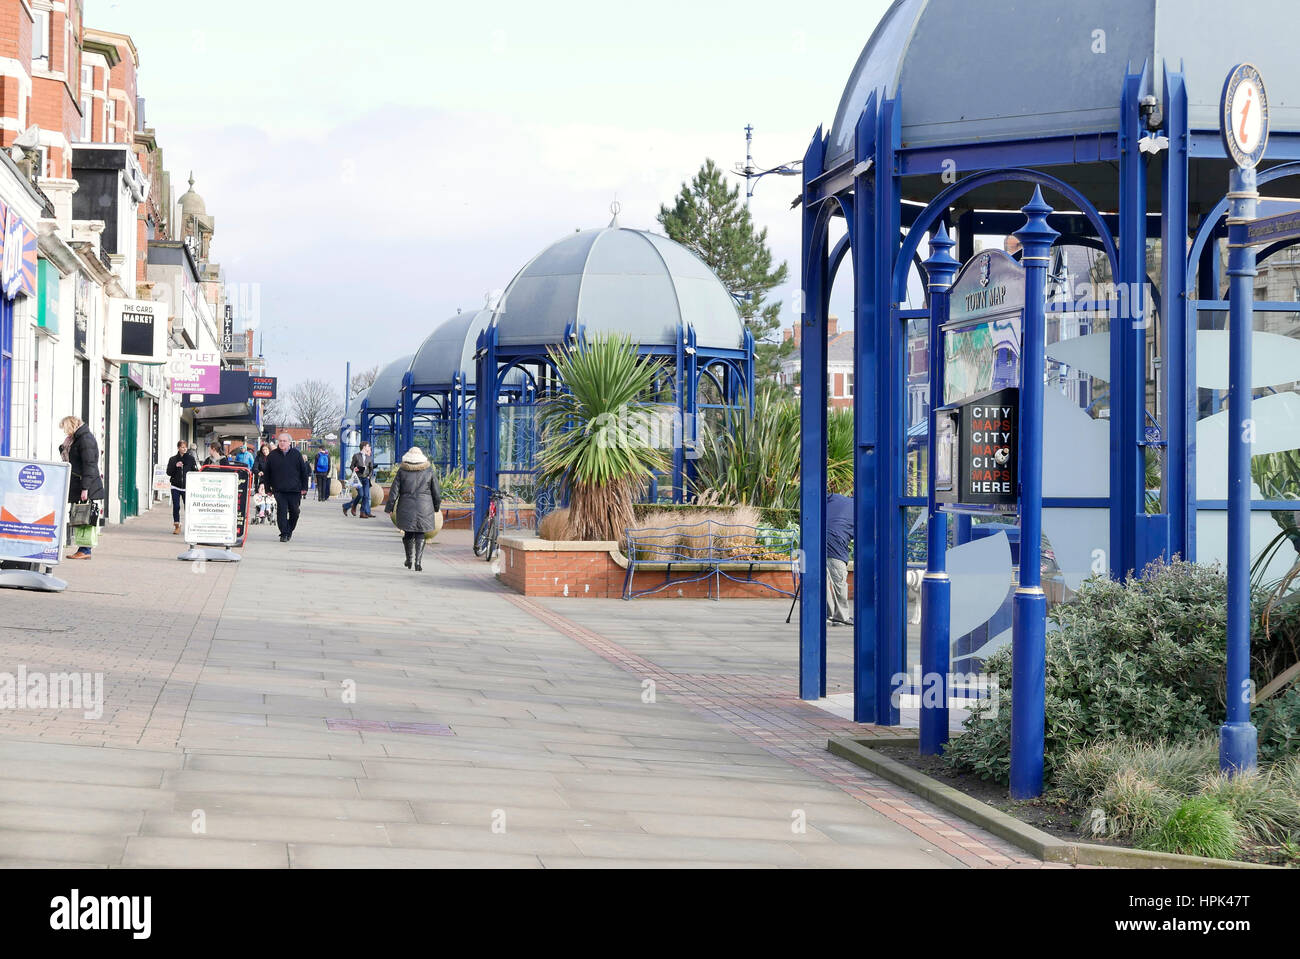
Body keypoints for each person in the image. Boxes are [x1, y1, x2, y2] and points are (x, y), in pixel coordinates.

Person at [384, 447, 442, 571]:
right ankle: (418, 562)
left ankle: (409, 559)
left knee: (408, 532)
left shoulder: (402, 471)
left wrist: (390, 507)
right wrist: (436, 507)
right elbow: (436, 492)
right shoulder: (429, 470)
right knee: (421, 533)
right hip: (424, 506)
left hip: (406, 505)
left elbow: (394, 491)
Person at [61, 416, 104, 560]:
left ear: (72, 426)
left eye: (66, 429)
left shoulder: (84, 439)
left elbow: (89, 465)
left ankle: (85, 550)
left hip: (85, 485)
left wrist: (85, 488)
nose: (65, 433)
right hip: (80, 483)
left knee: (85, 518)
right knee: (80, 517)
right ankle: (83, 549)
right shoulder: (78, 438)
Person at [261, 431, 310, 542]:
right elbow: (267, 474)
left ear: (289, 443)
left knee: (295, 512)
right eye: (280, 441)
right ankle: (284, 533)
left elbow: (304, 472)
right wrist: (268, 489)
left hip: (295, 490)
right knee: (281, 512)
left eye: (284, 441)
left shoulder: (296, 454)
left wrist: (304, 488)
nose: (282, 443)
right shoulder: (272, 455)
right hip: (279, 490)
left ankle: (289, 530)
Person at [825, 492, 854, 627]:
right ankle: (841, 616)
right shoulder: (861, 512)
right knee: (839, 581)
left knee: (823, 581)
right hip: (835, 542)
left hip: (817, 535)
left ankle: (828, 614)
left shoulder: (837, 497)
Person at [165, 440, 199, 535]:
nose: (184, 449)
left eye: (185, 447)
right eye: (182, 447)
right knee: (176, 506)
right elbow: (168, 473)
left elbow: (195, 471)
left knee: (188, 507)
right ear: (178, 448)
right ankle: (177, 526)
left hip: (187, 487)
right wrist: (175, 466)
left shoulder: (190, 459)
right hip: (175, 486)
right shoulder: (173, 459)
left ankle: (190, 526)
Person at [345, 441, 375, 518]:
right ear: (364, 447)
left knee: (366, 496)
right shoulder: (356, 456)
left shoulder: (369, 457)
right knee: (361, 494)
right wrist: (354, 469)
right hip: (358, 478)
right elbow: (351, 466)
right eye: (368, 446)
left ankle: (362, 513)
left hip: (366, 479)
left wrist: (369, 476)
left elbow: (371, 469)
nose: (369, 447)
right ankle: (353, 506)